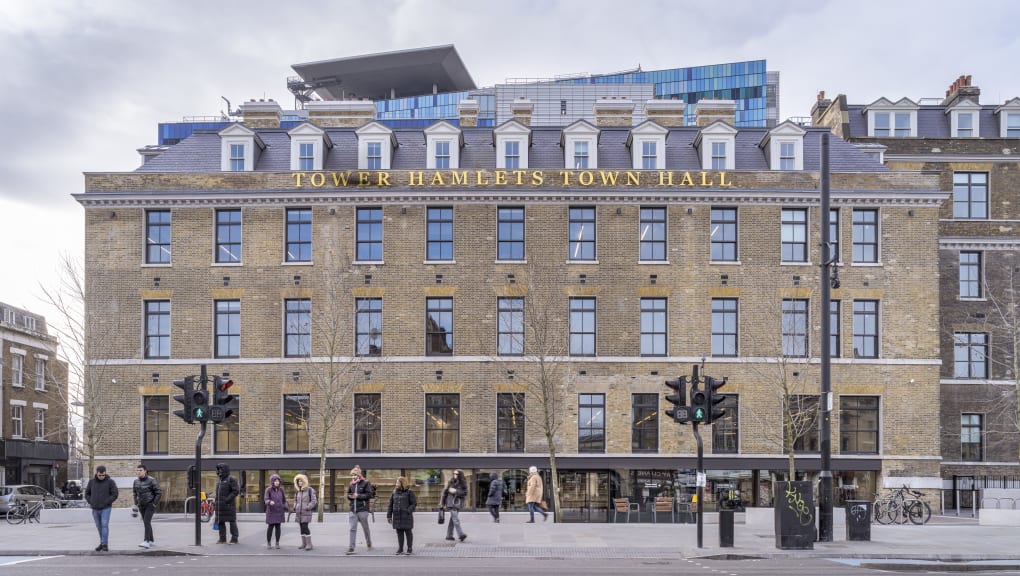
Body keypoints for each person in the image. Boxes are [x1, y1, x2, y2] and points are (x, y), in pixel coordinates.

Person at [84, 465, 118, 552]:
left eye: (103, 475)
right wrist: (91, 501)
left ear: (105, 473)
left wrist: (107, 501)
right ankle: (102, 543)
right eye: (100, 475)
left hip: (106, 508)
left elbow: (115, 494)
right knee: (99, 526)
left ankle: (105, 544)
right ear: (97, 473)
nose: (102, 477)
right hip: (95, 508)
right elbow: (87, 493)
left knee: (104, 525)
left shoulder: (110, 482)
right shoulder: (91, 482)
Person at [345, 465, 374, 555]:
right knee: (352, 529)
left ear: (358, 475)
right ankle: (351, 547)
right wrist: (350, 496)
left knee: (365, 528)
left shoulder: (365, 483)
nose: (353, 477)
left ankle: (369, 543)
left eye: (354, 475)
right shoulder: (351, 484)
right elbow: (348, 494)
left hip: (363, 510)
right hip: (353, 510)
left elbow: (369, 495)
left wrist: (359, 496)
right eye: (352, 475)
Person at [132, 464, 162, 549]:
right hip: (141, 505)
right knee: (147, 522)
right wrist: (136, 503)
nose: (138, 472)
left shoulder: (152, 480)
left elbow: (159, 493)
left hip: (150, 504)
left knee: (146, 521)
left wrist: (154, 504)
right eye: (137, 470)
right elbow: (135, 493)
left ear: (145, 471)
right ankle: (151, 540)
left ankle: (146, 541)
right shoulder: (136, 481)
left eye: (140, 470)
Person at [386, 476, 417, 555]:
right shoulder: (394, 492)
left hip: (406, 516)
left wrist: (408, 511)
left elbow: (413, 504)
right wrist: (389, 516)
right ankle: (400, 548)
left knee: (408, 532)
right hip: (397, 516)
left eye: (398, 483)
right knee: (399, 533)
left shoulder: (409, 492)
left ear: (402, 483)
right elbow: (390, 505)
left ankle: (409, 548)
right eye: (396, 483)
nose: (396, 484)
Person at [215, 463, 241, 544]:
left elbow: (236, 491)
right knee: (220, 522)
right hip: (220, 506)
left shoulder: (231, 479)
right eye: (218, 469)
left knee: (232, 522)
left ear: (225, 469)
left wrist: (227, 499)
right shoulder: (219, 480)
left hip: (229, 505)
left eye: (221, 469)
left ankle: (234, 538)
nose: (219, 471)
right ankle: (222, 539)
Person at [441, 469, 468, 542]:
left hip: (458, 504)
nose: (454, 475)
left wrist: (456, 491)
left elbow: (465, 493)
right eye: (454, 473)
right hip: (451, 503)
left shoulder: (463, 483)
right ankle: (461, 534)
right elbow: (444, 493)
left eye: (456, 474)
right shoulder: (451, 482)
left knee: (453, 519)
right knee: (456, 519)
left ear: (460, 475)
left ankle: (449, 535)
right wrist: (442, 503)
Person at [292, 473, 317, 551]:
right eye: (298, 481)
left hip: (306, 512)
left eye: (301, 481)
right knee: (301, 528)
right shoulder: (298, 491)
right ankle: (304, 543)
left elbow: (314, 501)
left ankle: (309, 544)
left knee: (305, 527)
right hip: (299, 513)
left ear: (304, 481)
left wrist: (307, 507)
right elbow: (295, 500)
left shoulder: (310, 490)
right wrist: (295, 506)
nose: (299, 483)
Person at [264, 474, 287, 549]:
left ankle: (277, 543)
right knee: (270, 527)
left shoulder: (281, 490)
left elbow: (284, 500)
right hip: (271, 512)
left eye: (278, 481)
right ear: (272, 482)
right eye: (275, 481)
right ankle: (269, 543)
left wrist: (283, 506)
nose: (277, 482)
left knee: (278, 527)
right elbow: (266, 499)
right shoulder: (268, 490)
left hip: (279, 511)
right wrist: (269, 502)